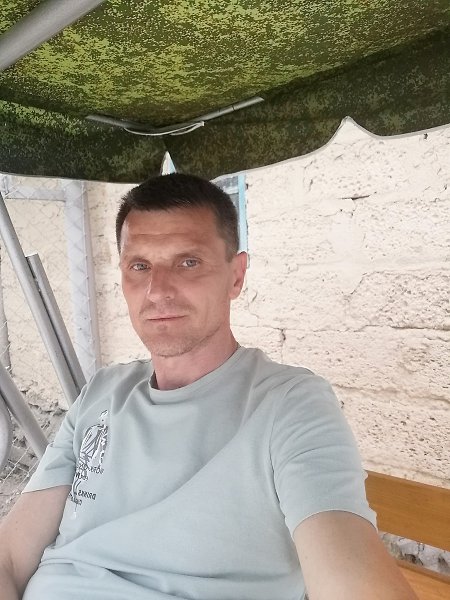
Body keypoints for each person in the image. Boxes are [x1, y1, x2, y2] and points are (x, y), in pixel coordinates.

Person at [0, 174, 417, 600]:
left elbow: (350, 574)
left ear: (236, 276)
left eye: (188, 262)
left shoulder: (289, 406)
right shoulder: (102, 392)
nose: (157, 291)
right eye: (140, 266)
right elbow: (10, 557)